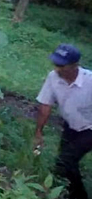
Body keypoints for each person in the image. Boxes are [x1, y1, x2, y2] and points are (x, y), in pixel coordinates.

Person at [34, 44, 92, 199]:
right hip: (70, 125)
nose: (57, 69)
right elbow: (45, 105)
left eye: (61, 65)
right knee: (64, 162)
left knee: (65, 161)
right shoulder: (53, 77)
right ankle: (65, 191)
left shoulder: (90, 81)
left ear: (74, 65)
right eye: (56, 64)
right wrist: (38, 132)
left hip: (90, 128)